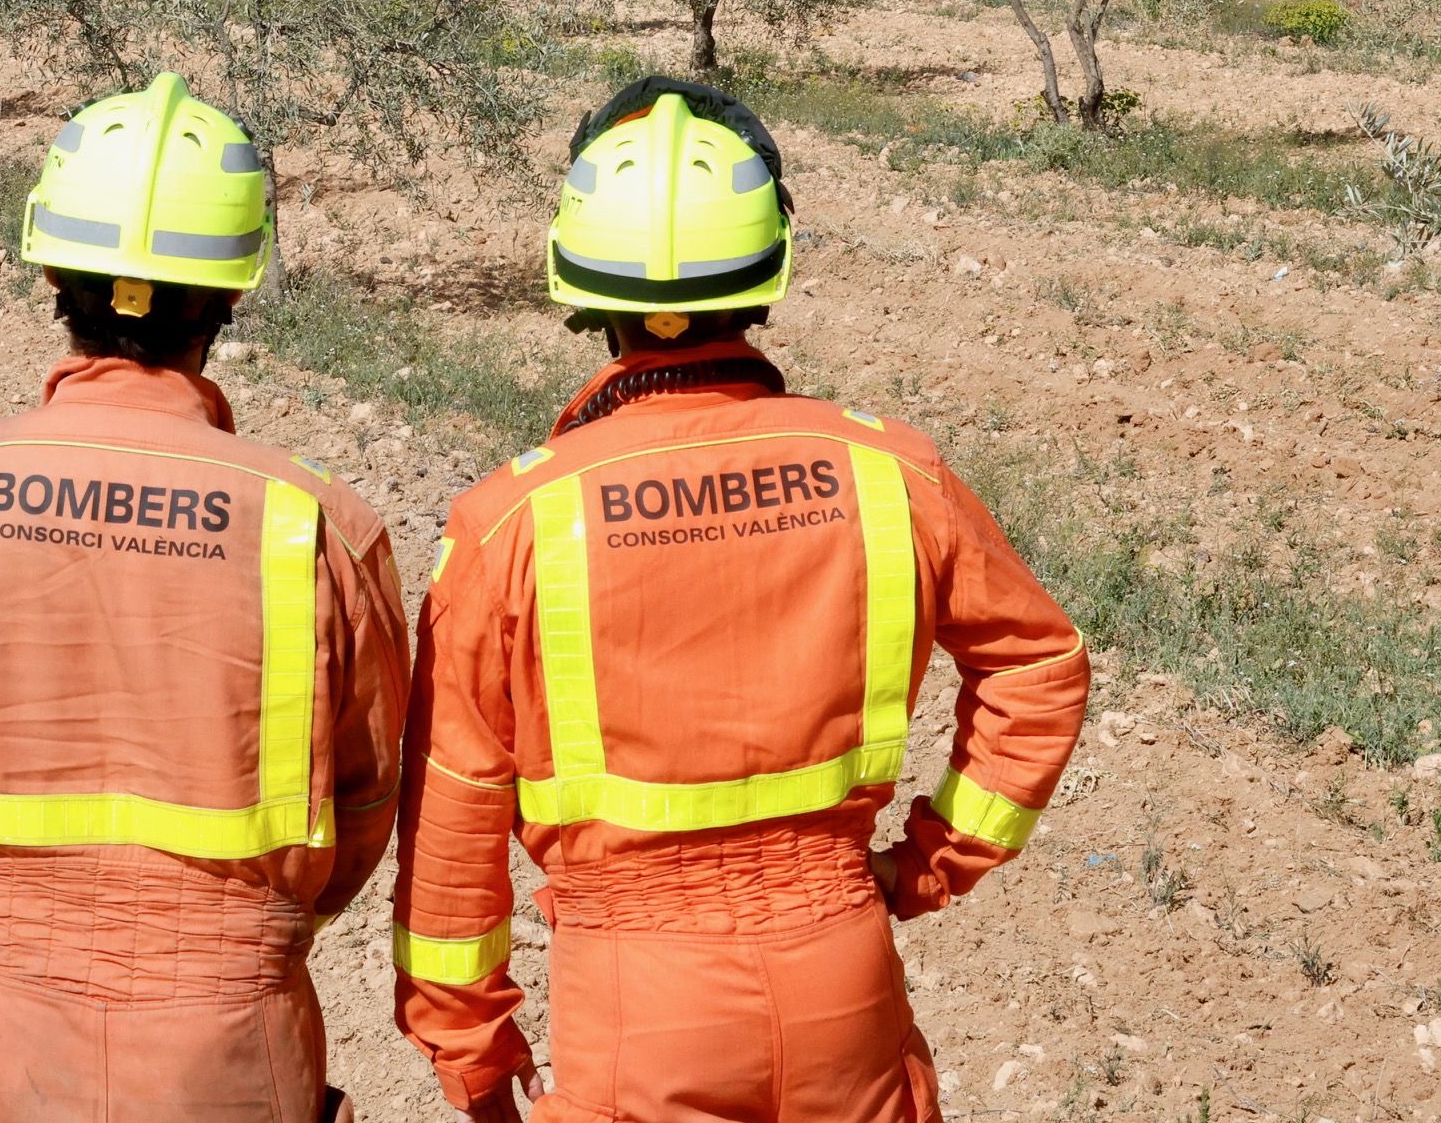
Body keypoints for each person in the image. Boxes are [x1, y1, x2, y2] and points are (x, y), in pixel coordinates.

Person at [390, 78, 1091, 1123]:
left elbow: (454, 808)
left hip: (633, 997)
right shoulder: (887, 471)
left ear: (577, 282)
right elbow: (1038, 666)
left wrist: (475, 1054)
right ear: (770, 268)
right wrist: (931, 861)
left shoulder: (513, 521)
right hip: (839, 964)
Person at [0, 72, 410, 1123]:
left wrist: (12, 912)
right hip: (234, 1041)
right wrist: (241, 931)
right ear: (234, 288)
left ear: (53, 267)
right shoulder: (319, 523)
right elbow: (367, 796)